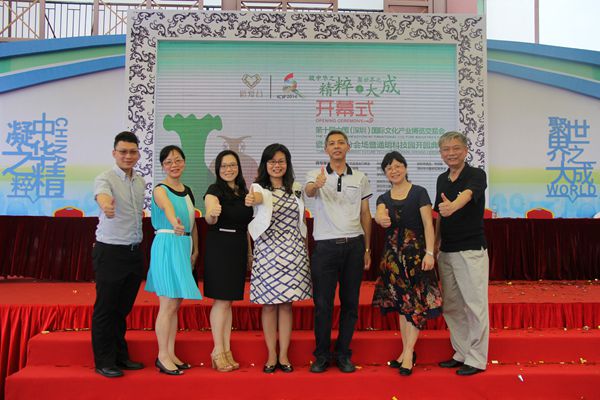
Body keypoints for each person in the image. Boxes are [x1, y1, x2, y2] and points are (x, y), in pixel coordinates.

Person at [305, 130, 372, 373]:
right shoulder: (315, 174)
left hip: (354, 245)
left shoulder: (360, 177)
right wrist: (317, 185)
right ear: (326, 149)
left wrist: (367, 248)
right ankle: (322, 355)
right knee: (323, 304)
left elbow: (365, 213)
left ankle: (343, 354)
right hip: (325, 247)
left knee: (350, 303)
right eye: (332, 143)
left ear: (348, 147)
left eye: (341, 142)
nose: (336, 146)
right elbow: (309, 191)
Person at [372, 151, 442, 376]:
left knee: (415, 304)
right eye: (389, 168)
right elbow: (380, 214)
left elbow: (428, 225)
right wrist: (380, 218)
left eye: (398, 166)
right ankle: (406, 351)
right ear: (385, 173)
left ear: (406, 168)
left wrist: (430, 253)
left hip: (416, 257)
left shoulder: (419, 192)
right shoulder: (383, 198)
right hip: (392, 260)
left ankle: (409, 353)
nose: (394, 170)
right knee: (402, 307)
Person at [245, 143, 311, 374]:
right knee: (269, 306)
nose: (277, 165)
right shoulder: (258, 188)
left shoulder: (296, 188)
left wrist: (305, 251)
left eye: (281, 161)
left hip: (294, 252)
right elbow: (254, 200)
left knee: (286, 305)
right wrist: (251, 200)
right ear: (265, 164)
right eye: (272, 161)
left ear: (287, 164)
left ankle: (284, 355)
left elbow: (302, 221)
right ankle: (271, 355)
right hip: (268, 253)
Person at [434, 131, 489, 376]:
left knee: (475, 305)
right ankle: (462, 352)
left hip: (471, 250)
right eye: (446, 149)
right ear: (441, 153)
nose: (451, 153)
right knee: (452, 306)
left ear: (466, 150)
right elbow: (439, 214)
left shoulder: (476, 174)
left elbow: (466, 196)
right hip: (446, 251)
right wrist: (434, 245)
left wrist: (453, 206)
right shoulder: (441, 179)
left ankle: (477, 359)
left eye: (456, 148)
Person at [91, 131, 146, 378]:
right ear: (114, 153)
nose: (128, 156)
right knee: (106, 309)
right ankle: (104, 361)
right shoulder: (105, 178)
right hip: (110, 252)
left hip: (133, 252)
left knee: (122, 309)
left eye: (132, 152)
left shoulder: (140, 181)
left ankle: (119, 356)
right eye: (123, 151)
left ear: (138, 154)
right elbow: (102, 194)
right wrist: (106, 205)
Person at [145, 145, 202, 375]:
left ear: (184, 162)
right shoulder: (160, 190)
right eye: (168, 162)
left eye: (178, 160)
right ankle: (162, 356)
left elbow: (193, 222)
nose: (174, 165)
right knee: (167, 304)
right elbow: (168, 208)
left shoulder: (188, 190)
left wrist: (195, 250)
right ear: (162, 166)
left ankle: (171, 353)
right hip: (167, 243)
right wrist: (174, 222)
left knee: (176, 304)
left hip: (184, 245)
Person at [203, 150, 253, 372]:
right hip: (220, 247)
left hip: (238, 247)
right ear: (218, 169)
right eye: (223, 166)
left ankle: (226, 349)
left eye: (232, 165)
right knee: (221, 301)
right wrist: (212, 213)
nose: (228, 169)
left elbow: (246, 227)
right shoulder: (214, 190)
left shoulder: (243, 192)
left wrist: (249, 253)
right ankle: (217, 350)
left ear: (238, 167)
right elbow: (209, 216)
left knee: (229, 301)